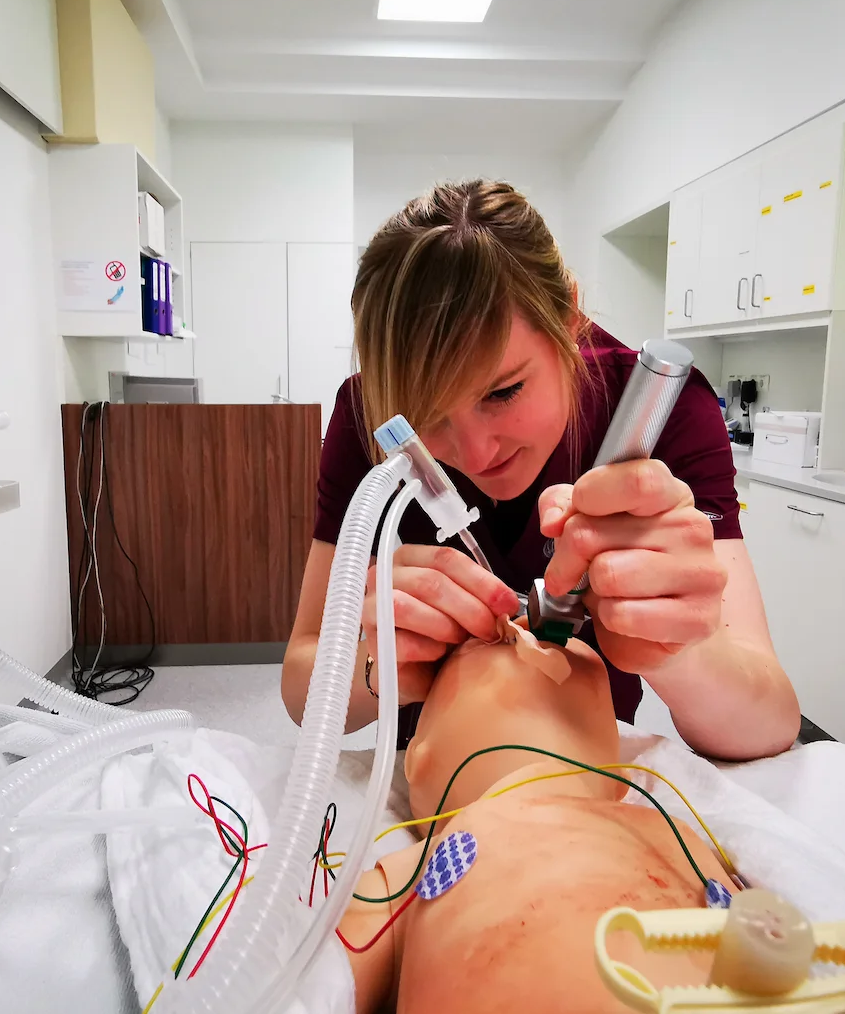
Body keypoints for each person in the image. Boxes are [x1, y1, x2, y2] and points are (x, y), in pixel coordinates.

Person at [281, 180, 799, 761]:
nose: (475, 456)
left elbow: (770, 724)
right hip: (427, 772)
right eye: (428, 417)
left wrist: (676, 650)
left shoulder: (660, 412)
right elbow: (302, 684)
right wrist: (380, 667)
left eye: (502, 393)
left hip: (585, 773)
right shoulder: (366, 414)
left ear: (569, 316)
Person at [337, 633, 740, 1011]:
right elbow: (318, 983)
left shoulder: (672, 832)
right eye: (487, 646)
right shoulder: (426, 869)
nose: (526, 630)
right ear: (417, 760)